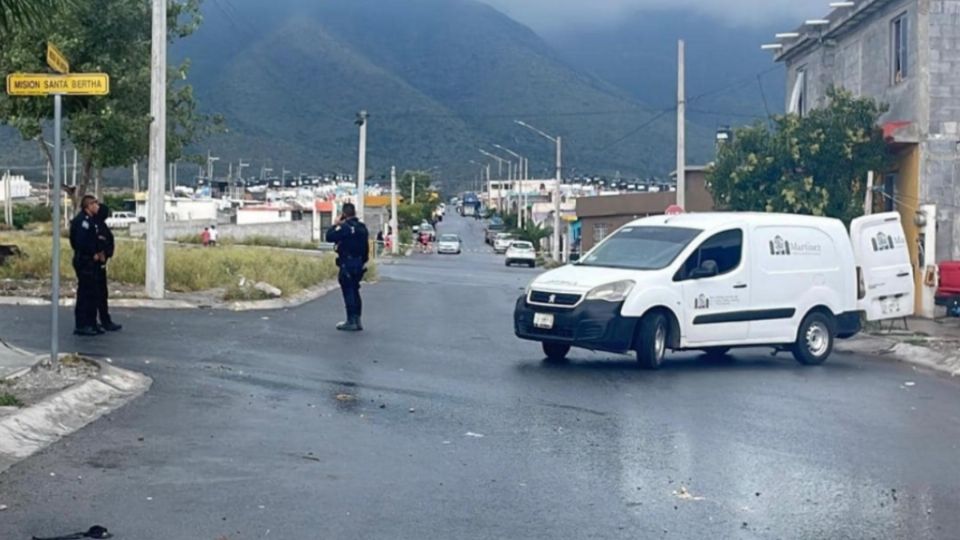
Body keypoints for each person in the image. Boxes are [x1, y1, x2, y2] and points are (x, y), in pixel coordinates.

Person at [325, 203, 369, 331]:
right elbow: (366, 247)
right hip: (359, 263)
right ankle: (358, 320)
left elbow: (329, 237)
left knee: (348, 291)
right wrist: (363, 261)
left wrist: (335, 224)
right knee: (355, 291)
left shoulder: (345, 227)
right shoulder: (362, 227)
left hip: (347, 263)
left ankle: (351, 321)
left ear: (344, 214)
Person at [69, 195, 104, 336]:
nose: (98, 206)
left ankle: (92, 322)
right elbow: (79, 243)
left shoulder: (91, 221)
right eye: (95, 204)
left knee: (93, 294)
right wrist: (92, 254)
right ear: (88, 206)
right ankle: (82, 324)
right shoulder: (82, 221)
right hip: (85, 261)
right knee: (85, 293)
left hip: (93, 261)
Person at [93, 204, 122, 332]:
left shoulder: (101, 225)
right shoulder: (96, 226)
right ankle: (100, 321)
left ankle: (102, 320)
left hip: (101, 264)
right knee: (97, 294)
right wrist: (101, 253)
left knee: (101, 294)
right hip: (95, 264)